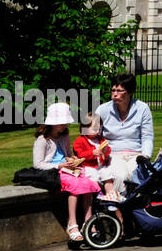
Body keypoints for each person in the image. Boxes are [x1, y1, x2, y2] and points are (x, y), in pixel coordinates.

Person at [34, 103, 97, 242]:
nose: (64, 125)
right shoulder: (42, 140)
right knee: (74, 187)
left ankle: (88, 221)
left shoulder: (64, 136)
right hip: (55, 171)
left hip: (68, 168)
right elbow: (38, 164)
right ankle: (72, 223)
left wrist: (73, 159)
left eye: (65, 122)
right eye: (61, 123)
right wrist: (60, 165)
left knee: (88, 183)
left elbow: (67, 153)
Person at [95, 73, 153, 189]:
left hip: (136, 153)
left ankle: (135, 204)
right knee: (121, 175)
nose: (115, 94)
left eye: (120, 91)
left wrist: (145, 155)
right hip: (113, 154)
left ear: (130, 92)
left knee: (137, 173)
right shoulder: (102, 110)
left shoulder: (142, 108)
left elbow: (147, 136)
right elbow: (93, 136)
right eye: (113, 90)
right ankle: (116, 205)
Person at [72, 113, 117, 201]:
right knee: (92, 177)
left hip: (101, 165)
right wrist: (92, 153)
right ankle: (98, 195)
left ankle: (111, 196)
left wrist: (105, 151)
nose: (96, 131)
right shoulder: (80, 141)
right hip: (88, 166)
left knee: (108, 175)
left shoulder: (100, 139)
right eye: (93, 129)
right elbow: (80, 155)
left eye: (98, 129)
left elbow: (108, 149)